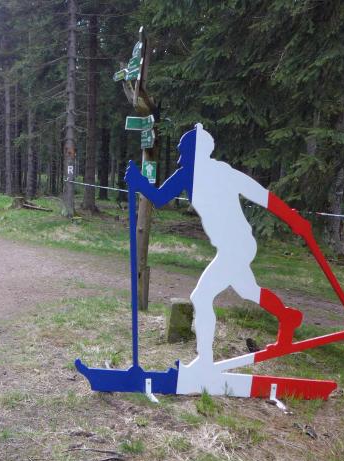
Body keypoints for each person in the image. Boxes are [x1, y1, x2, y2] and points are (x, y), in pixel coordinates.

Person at [125, 124, 310, 373]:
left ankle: (204, 361)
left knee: (201, 297)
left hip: (239, 245)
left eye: (184, 153)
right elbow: (159, 198)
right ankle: (287, 317)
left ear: (198, 152)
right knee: (248, 290)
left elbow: (261, 195)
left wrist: (293, 219)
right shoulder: (186, 174)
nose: (179, 159)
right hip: (230, 247)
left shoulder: (222, 172)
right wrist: (139, 183)